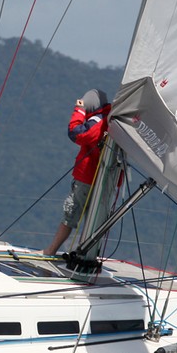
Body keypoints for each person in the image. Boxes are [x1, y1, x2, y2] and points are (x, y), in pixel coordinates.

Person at [43, 89, 112, 256]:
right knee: (94, 220)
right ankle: (85, 256)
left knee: (71, 215)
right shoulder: (111, 119)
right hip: (107, 179)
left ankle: (51, 251)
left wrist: (79, 109)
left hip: (87, 179)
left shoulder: (98, 120)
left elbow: (76, 133)